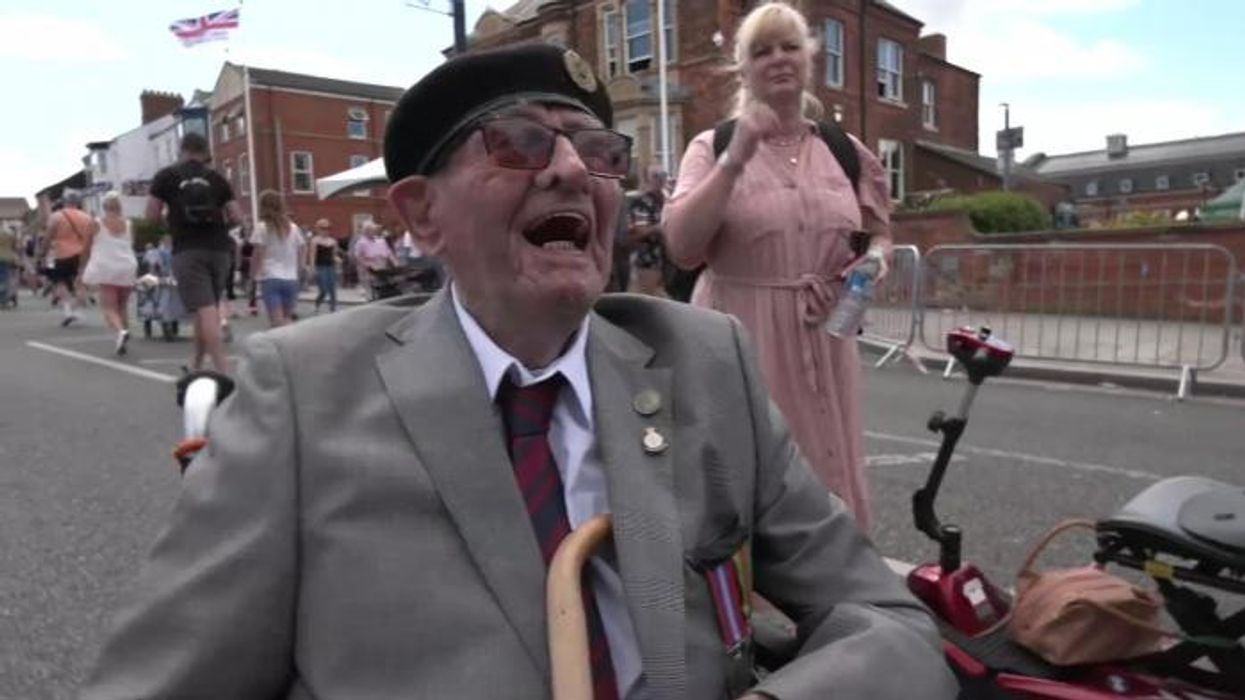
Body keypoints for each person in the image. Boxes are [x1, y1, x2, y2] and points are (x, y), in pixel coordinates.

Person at [80, 44, 955, 700]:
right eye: (521, 143)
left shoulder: (706, 358)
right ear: (421, 215)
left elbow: (890, 622)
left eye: (598, 152)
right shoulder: (303, 394)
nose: (574, 168)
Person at [663, 2, 894, 529]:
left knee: (830, 456)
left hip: (828, 331)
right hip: (742, 334)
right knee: (756, 464)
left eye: (790, 46)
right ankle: (755, 596)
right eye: (761, 51)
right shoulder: (711, 146)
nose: (778, 59)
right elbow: (682, 247)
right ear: (742, 68)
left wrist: (875, 260)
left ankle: (836, 583)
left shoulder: (844, 149)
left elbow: (879, 230)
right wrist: (736, 157)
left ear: (810, 57)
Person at [146, 132, 243, 373]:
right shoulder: (217, 179)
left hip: (188, 249)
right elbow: (237, 217)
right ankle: (196, 365)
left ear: (182, 150)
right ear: (205, 152)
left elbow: (151, 216)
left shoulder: (166, 176)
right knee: (205, 307)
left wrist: (170, 226)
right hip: (220, 250)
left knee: (206, 309)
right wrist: (221, 228)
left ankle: (222, 369)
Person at [78, 191, 138, 355]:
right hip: (127, 265)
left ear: (104, 207)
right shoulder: (128, 223)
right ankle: (122, 336)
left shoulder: (97, 223)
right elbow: (130, 243)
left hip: (107, 267)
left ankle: (120, 332)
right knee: (122, 306)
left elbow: (86, 248)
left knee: (109, 307)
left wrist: (82, 267)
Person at [249, 190, 304, 328]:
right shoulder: (293, 227)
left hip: (270, 276)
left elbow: (257, 254)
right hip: (291, 278)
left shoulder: (262, 227)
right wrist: (299, 268)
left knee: (276, 322)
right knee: (287, 320)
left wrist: (253, 274)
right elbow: (301, 248)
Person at [42, 190, 93, 326]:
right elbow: (92, 238)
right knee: (82, 284)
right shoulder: (87, 218)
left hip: (62, 254)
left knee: (60, 282)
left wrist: (43, 252)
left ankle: (68, 307)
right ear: (78, 202)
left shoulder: (56, 217)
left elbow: (48, 237)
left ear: (64, 201)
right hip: (82, 254)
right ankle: (75, 307)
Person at [624, 165, 671, 298]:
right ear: (647, 180)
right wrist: (658, 228)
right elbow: (637, 232)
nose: (660, 179)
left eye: (663, 175)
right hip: (649, 258)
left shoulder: (668, 199)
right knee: (650, 298)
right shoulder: (642, 202)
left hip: (668, 257)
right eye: (655, 176)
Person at [351, 220, 397, 298]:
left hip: (382, 268)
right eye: (371, 230)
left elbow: (389, 253)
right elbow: (357, 257)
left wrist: (395, 262)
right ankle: (371, 299)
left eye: (374, 230)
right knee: (372, 290)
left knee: (384, 286)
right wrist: (366, 265)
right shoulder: (361, 243)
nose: (374, 232)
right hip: (370, 270)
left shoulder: (381, 241)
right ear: (366, 231)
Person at [306, 217, 340, 313]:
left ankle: (333, 309)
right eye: (323, 228)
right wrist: (312, 269)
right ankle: (317, 303)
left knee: (332, 289)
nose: (325, 230)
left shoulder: (333, 241)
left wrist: (338, 261)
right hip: (320, 267)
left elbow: (334, 255)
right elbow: (312, 256)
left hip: (330, 267)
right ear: (318, 229)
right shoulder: (315, 241)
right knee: (323, 290)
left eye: (328, 228)